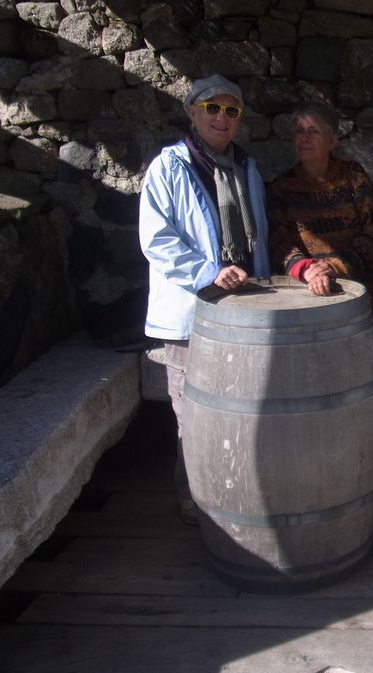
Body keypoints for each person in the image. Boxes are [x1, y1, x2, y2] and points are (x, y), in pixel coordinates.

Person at [138, 75, 271, 523]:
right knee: (193, 417)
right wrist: (209, 273)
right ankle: (195, 501)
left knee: (239, 413)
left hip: (240, 314)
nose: (222, 118)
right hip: (192, 316)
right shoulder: (169, 167)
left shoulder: (246, 168)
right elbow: (157, 240)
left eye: (232, 111)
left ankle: (236, 494)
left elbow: (259, 240)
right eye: (212, 108)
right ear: (192, 112)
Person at [267, 103, 373, 343]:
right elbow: (279, 240)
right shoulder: (281, 187)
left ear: (332, 140)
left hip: (362, 290)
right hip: (310, 292)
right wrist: (308, 270)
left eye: (313, 131)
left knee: (371, 369)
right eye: (299, 131)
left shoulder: (352, 176)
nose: (304, 138)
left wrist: (332, 267)